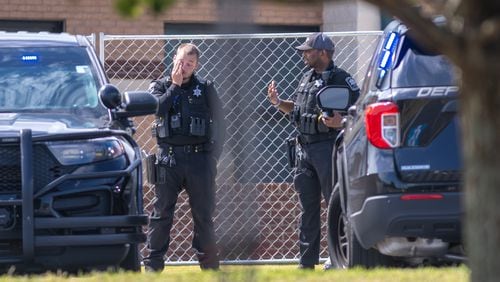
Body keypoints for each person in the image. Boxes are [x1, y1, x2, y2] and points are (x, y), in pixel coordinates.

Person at [267, 32, 360, 270]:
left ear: (324, 53)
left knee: (335, 205)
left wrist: (341, 122)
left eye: (308, 51)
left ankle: (339, 257)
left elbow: (358, 113)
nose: (304, 55)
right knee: (308, 208)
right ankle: (306, 263)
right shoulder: (306, 77)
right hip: (304, 149)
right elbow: (297, 110)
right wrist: (278, 103)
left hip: (327, 148)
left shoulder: (343, 79)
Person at [143, 43, 226, 272]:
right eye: (182, 61)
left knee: (203, 216)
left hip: (200, 160)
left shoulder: (205, 87)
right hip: (168, 160)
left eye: (190, 63)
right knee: (161, 214)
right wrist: (176, 86)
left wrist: (213, 157)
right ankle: (152, 266)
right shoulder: (159, 85)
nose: (185, 66)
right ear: (174, 59)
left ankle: (210, 268)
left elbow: (221, 123)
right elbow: (159, 109)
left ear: (196, 65)